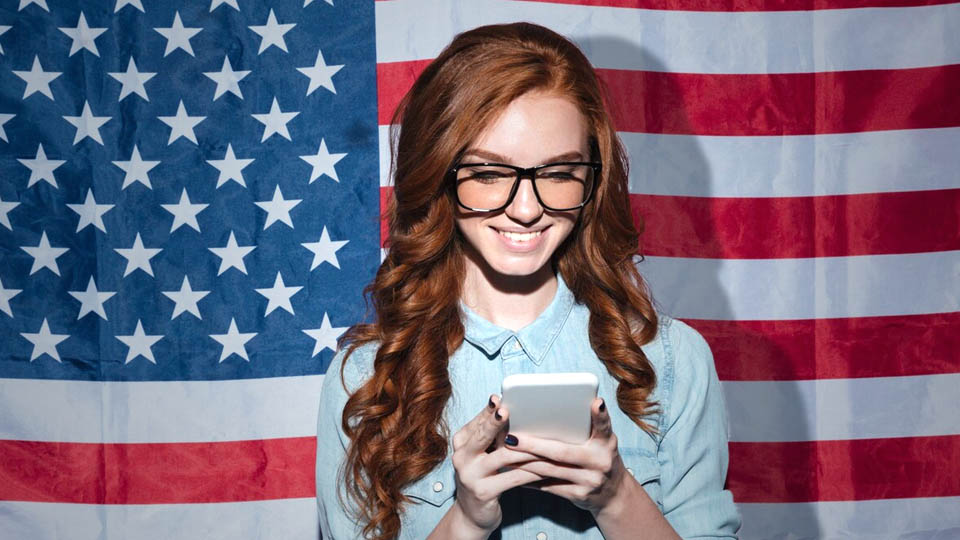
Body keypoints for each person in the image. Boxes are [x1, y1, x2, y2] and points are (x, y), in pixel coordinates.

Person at [315, 22, 741, 540]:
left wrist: (616, 496)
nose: (525, 210)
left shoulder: (672, 361)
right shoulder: (364, 379)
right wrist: (466, 519)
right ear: (438, 172)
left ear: (593, 178)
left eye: (559, 174)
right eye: (489, 173)